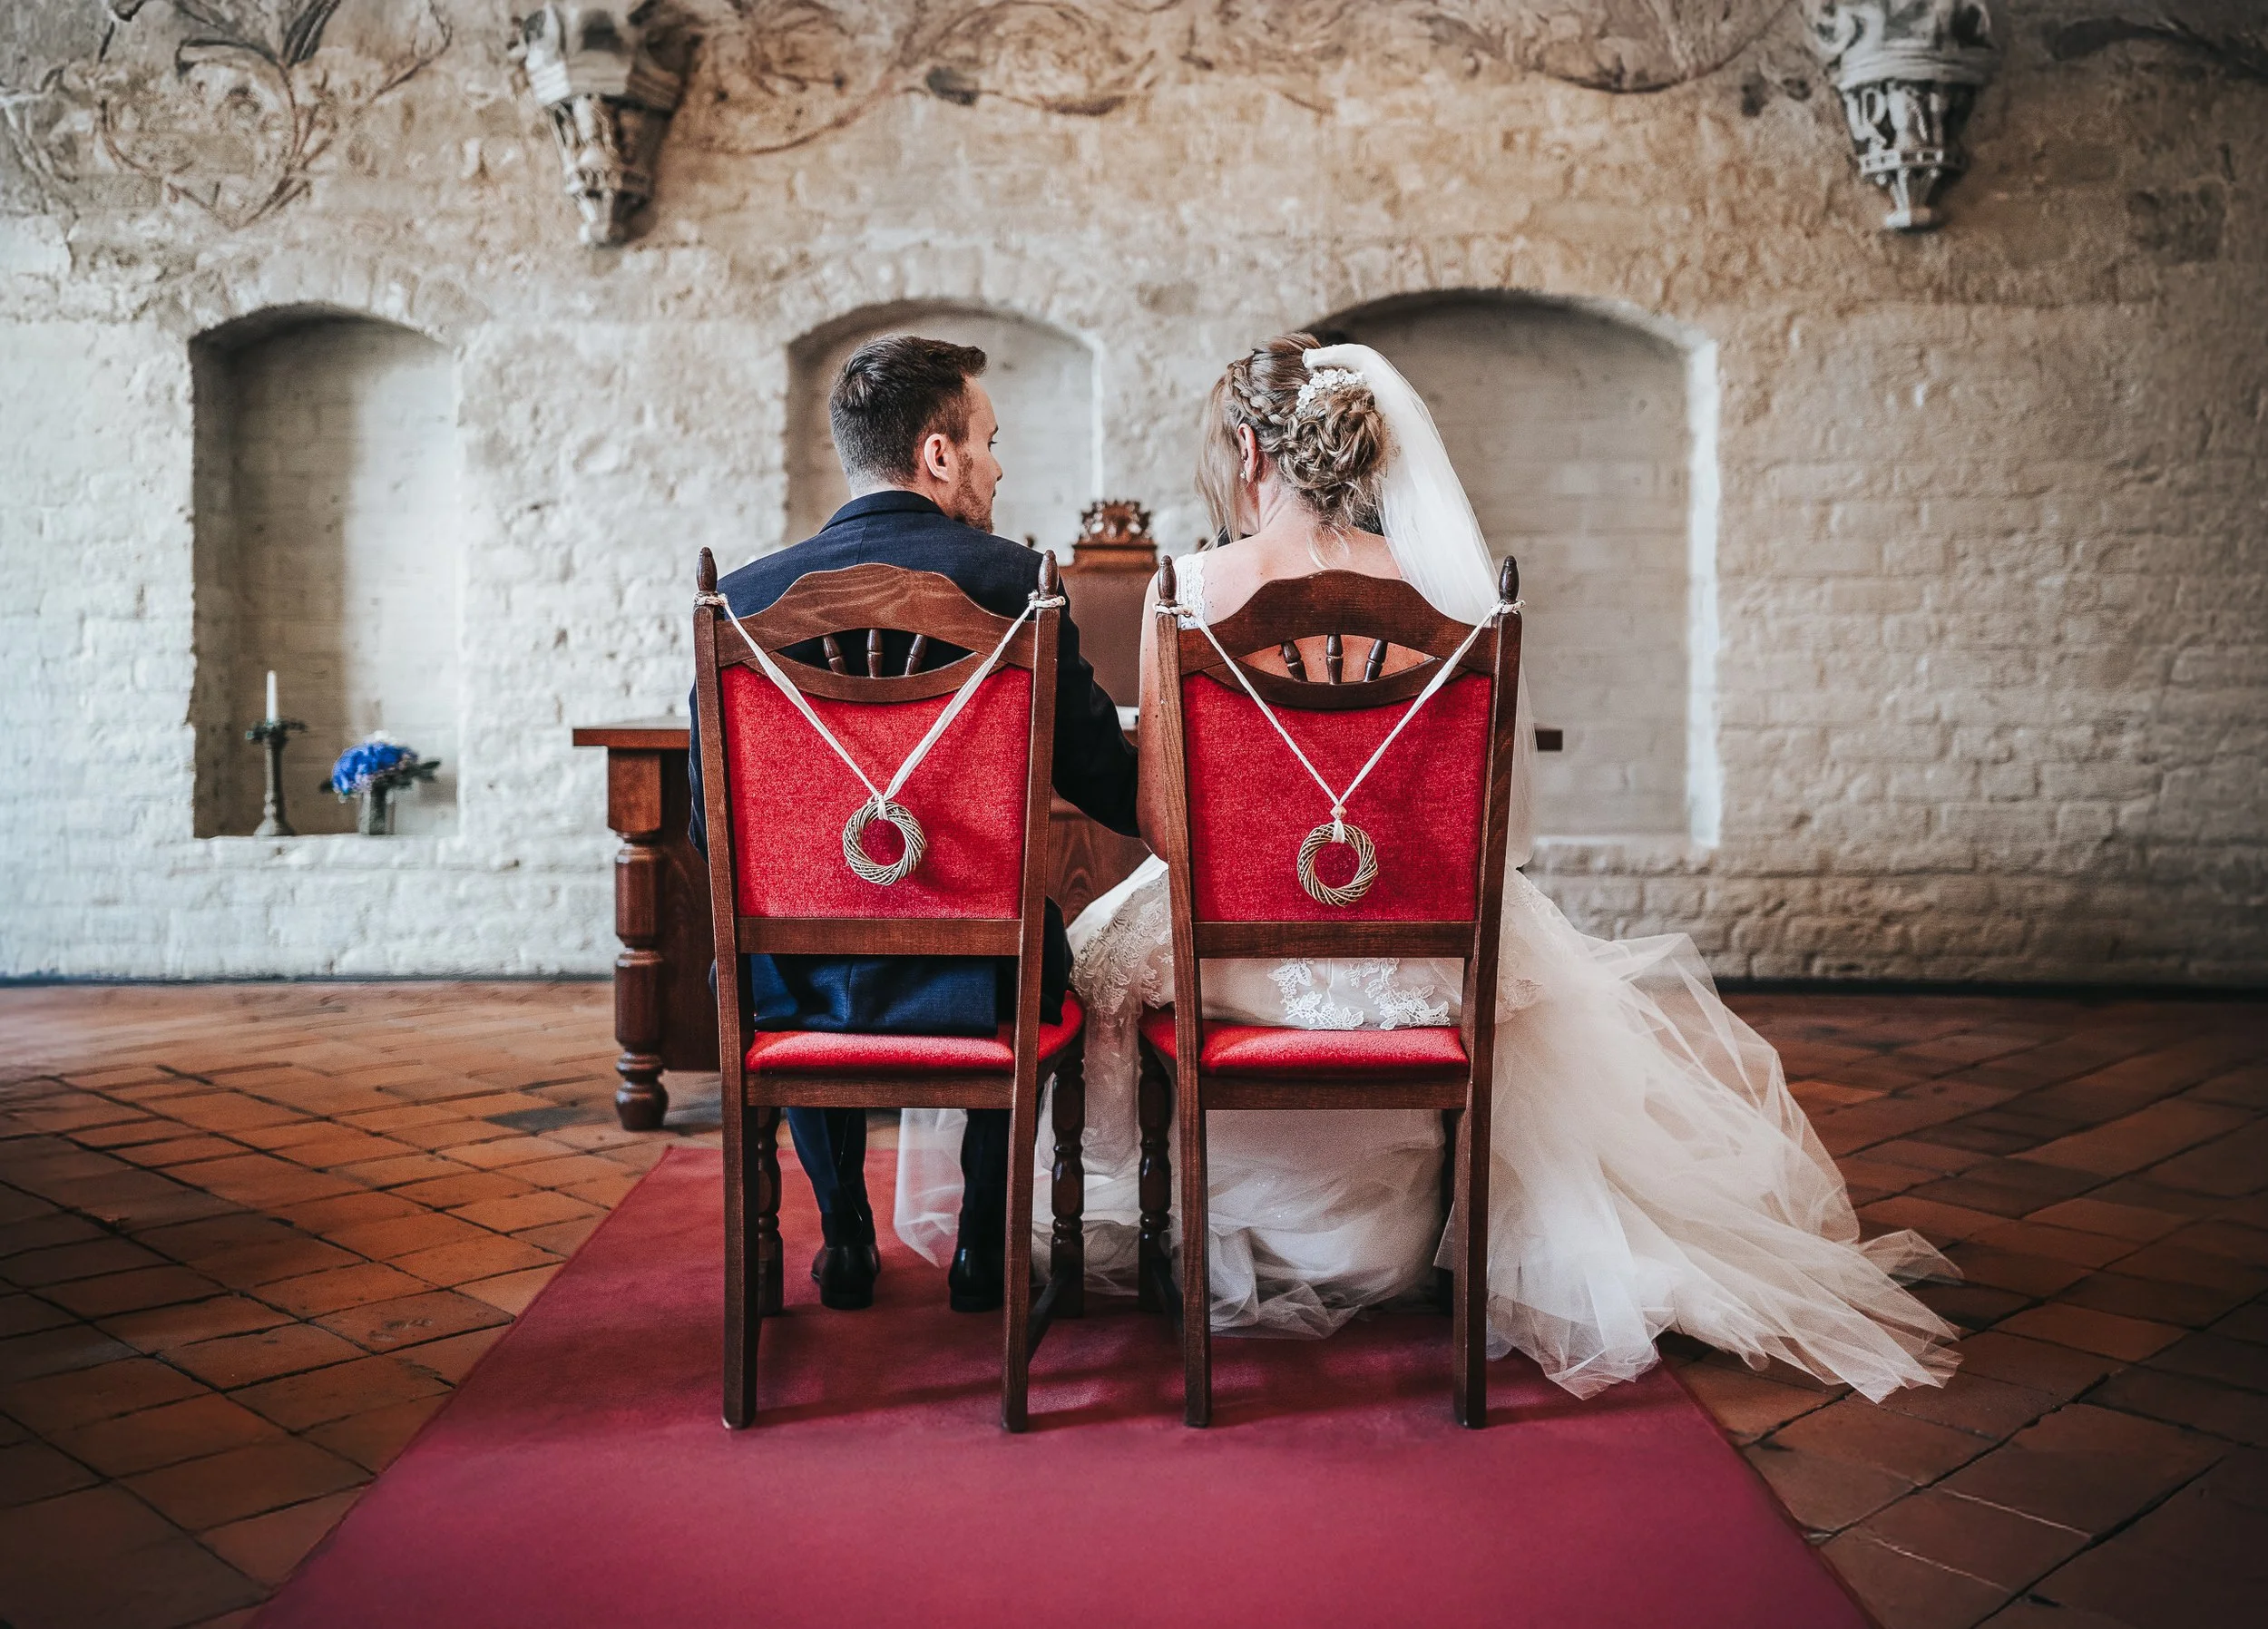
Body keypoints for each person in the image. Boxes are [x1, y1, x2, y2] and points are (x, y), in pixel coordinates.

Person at [902, 333, 1958, 1402]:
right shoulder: (1452, 592)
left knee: (1097, 966)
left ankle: (1200, 1223)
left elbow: (1169, 830)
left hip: (1233, 958)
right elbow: (1473, 825)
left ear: (1248, 449)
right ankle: (1411, 1238)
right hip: (1418, 949)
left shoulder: (1190, 589)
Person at [689, 336, 1139, 1314]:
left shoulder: (743, 600)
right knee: (1040, 949)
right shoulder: (1020, 585)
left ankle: (845, 1232)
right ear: (938, 455)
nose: (999, 463)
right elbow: (1110, 783)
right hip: (980, 981)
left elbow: (706, 827)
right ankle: (981, 1250)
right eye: (988, 439)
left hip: (794, 981)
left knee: (780, 963)